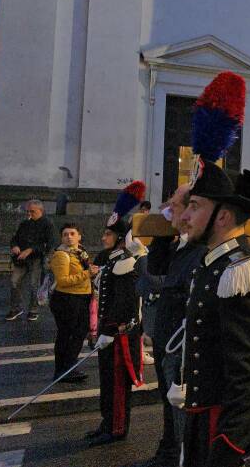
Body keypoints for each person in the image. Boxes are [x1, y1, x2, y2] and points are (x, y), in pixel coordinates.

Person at [178, 163, 250, 467]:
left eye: (194, 206)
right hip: (202, 416)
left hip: (223, 427)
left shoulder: (241, 271)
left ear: (222, 215)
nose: (184, 216)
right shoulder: (212, 263)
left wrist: (230, 443)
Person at [131, 184, 204, 467]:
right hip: (166, 337)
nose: (167, 209)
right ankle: (169, 449)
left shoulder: (197, 249)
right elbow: (158, 267)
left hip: (181, 342)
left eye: (173, 204)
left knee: (179, 408)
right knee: (167, 401)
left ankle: (178, 456)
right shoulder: (178, 244)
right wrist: (163, 230)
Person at [86, 183, 147, 447]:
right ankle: (106, 421)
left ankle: (117, 427)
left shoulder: (127, 262)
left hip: (120, 335)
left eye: (109, 234)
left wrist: (111, 331)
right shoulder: (113, 260)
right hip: (108, 333)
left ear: (121, 238)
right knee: (108, 383)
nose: (103, 238)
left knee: (118, 387)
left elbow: (126, 302)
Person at [49, 223, 92, 384]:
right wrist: (87, 274)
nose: (69, 237)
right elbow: (63, 280)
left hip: (82, 297)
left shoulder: (80, 252)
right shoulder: (61, 255)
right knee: (66, 335)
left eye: (72, 233)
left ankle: (70, 366)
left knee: (79, 333)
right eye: (65, 234)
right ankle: (62, 370)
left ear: (79, 236)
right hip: (67, 299)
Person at [8, 199, 56, 321]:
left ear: (41, 211)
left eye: (32, 211)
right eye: (28, 211)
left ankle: (33, 309)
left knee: (34, 285)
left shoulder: (48, 225)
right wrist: (15, 246)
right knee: (14, 282)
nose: (29, 214)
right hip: (20, 259)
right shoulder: (24, 224)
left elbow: (49, 245)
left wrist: (31, 249)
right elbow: (15, 238)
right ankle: (16, 308)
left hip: (36, 259)